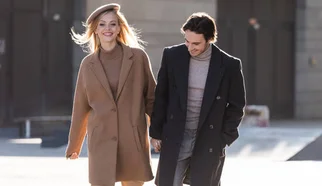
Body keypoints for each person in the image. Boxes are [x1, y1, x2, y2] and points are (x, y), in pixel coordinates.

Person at [150, 12, 246, 186]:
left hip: (208, 137)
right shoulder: (172, 56)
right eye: (187, 41)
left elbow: (236, 106)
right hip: (177, 133)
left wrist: (224, 138)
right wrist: (155, 133)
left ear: (210, 39)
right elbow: (161, 96)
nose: (190, 47)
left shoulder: (229, 65)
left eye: (196, 43)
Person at [65, 3, 156, 186]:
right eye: (102, 24)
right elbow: (81, 106)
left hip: (132, 139)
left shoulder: (138, 58)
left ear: (119, 28)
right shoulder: (87, 64)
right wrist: (74, 144)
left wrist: (158, 133)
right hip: (101, 139)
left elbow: (151, 99)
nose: (108, 28)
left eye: (112, 24)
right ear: (95, 30)